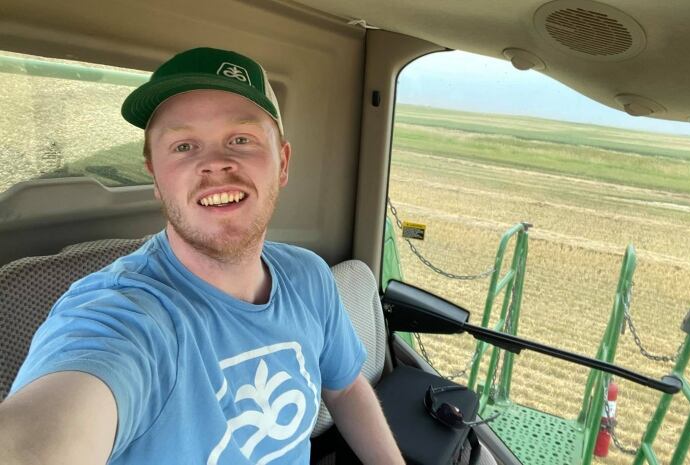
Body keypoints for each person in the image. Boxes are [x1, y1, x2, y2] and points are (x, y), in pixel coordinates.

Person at [0, 47, 403, 465]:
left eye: (241, 139)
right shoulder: (121, 318)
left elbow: (343, 387)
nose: (214, 163)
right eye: (183, 145)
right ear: (155, 175)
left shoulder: (309, 277)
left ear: (282, 163)